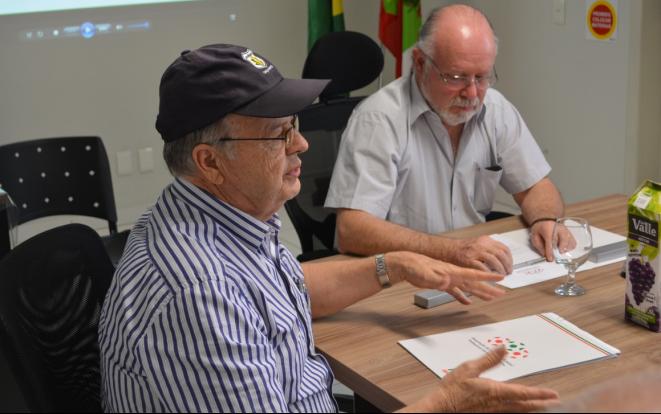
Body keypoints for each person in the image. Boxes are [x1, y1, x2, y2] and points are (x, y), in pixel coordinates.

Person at [98, 43, 559, 412]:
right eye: (278, 133)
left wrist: (391, 266)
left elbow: (277, 293)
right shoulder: (198, 294)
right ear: (210, 161)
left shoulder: (215, 216)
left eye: (293, 124)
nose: (300, 143)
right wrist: (447, 403)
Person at [325, 4, 565, 275]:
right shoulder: (379, 119)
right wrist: (451, 251)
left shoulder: (495, 110)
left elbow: (536, 186)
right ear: (419, 62)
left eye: (482, 77)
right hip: (399, 275)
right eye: (456, 77)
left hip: (470, 268)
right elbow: (352, 229)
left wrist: (545, 219)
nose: (472, 93)